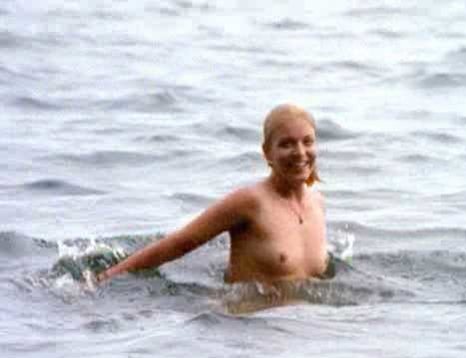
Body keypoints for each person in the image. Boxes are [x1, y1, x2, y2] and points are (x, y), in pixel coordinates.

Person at [97, 104, 329, 285]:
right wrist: (106, 278)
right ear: (267, 152)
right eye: (287, 144)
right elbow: (180, 243)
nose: (300, 152)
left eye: (307, 142)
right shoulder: (250, 202)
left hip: (307, 328)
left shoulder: (318, 203)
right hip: (250, 324)